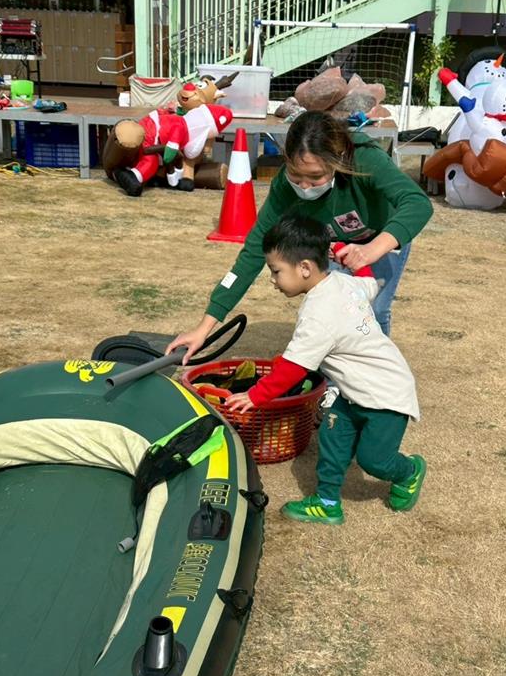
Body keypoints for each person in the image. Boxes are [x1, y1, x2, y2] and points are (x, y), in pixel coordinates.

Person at [167, 110, 433, 361]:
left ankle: (377, 371)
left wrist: (372, 250)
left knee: (375, 310)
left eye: (315, 177)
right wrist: (204, 327)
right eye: (296, 175)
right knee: (333, 310)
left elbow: (417, 204)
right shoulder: (284, 186)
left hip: (383, 239)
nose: (304, 186)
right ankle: (333, 377)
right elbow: (253, 250)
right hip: (335, 246)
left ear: (337, 160)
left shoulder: (364, 160)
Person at [224, 216, 426, 525]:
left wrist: (254, 396)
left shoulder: (319, 313)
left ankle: (409, 471)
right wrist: (351, 258)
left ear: (304, 268)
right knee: (333, 439)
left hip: (386, 395)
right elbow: (371, 284)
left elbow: (294, 369)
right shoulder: (341, 282)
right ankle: (328, 502)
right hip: (353, 392)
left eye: (276, 271)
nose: (273, 280)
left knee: (374, 460)